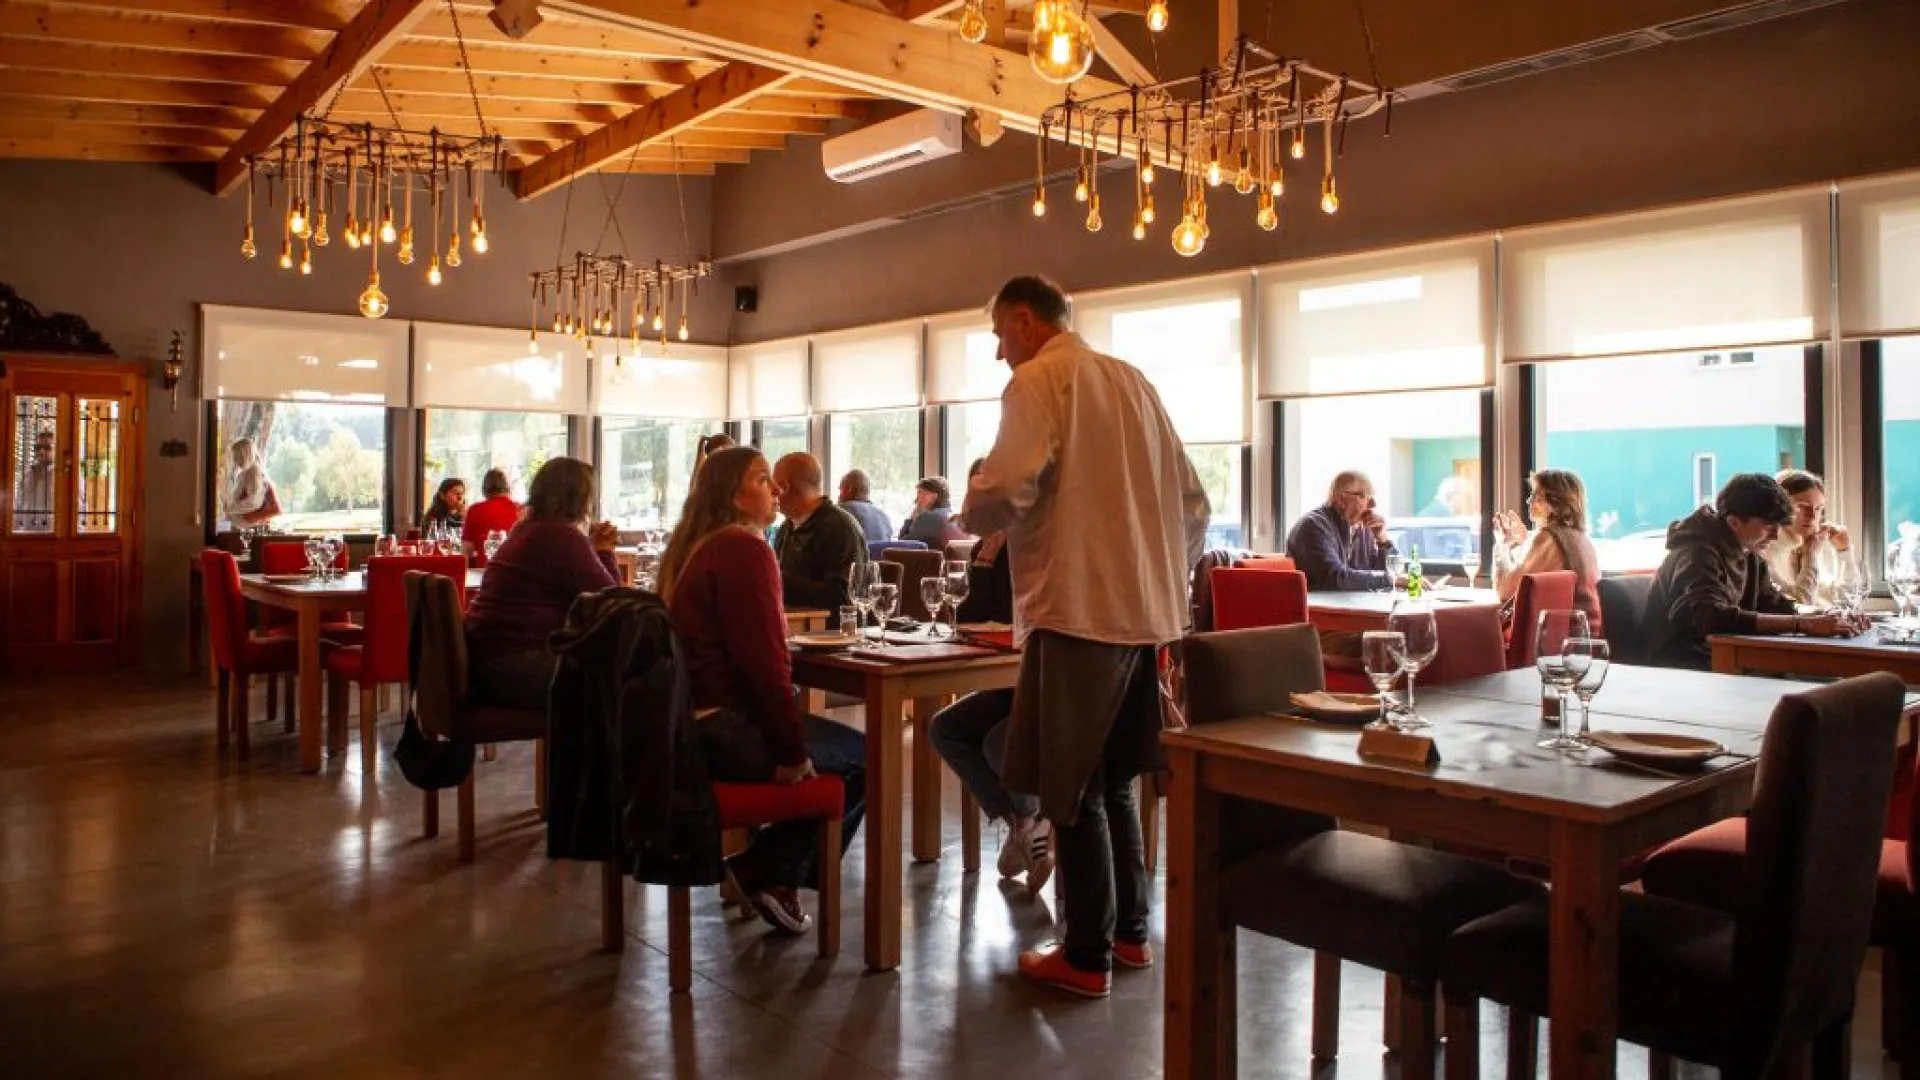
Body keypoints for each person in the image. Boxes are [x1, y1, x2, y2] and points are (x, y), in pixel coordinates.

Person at [965, 275, 1209, 997]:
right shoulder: (1134, 382)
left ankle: (1085, 954)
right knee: (1117, 780)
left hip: (1076, 607)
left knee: (1070, 786)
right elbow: (1194, 504)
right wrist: (1160, 577)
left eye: (999, 335)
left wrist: (972, 505)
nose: (999, 352)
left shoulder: (1039, 379)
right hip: (1144, 612)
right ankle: (1130, 935)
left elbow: (1007, 488)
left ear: (1024, 320)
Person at [658, 446, 867, 936]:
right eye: (761, 479)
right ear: (732, 495)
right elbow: (764, 669)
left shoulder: (696, 547)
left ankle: (767, 870)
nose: (775, 489)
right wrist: (791, 753)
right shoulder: (744, 549)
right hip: (724, 731)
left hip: (685, 727)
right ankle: (770, 873)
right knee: (865, 758)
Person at [928, 460, 1044, 890]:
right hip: (1007, 678)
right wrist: (984, 562)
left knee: (999, 740)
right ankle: (1023, 823)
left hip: (1045, 678)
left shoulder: (1036, 544)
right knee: (945, 728)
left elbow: (1016, 613)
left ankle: (1031, 823)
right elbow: (969, 615)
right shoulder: (986, 548)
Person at [1644, 472, 1865, 671]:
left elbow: (1773, 603)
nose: (1775, 536)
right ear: (1734, 522)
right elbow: (1708, 615)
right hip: (1682, 664)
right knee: (1817, 677)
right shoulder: (1696, 554)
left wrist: (1823, 616)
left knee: (1826, 673)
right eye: (1769, 527)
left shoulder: (1749, 554)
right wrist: (1802, 624)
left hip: (1725, 654)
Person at [463, 458, 620, 709]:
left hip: (484, 662)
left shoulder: (524, 529)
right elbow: (613, 604)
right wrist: (604, 550)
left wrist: (592, 546)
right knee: (626, 677)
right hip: (516, 668)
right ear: (579, 499)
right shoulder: (561, 536)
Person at [1490, 468, 1602, 630]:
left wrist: (1502, 545)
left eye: (1537, 496)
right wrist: (1522, 544)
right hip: (1586, 632)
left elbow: (1505, 590)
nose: (1529, 501)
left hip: (1561, 637)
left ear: (1555, 504)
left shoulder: (1549, 538)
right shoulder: (1580, 539)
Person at [770, 452, 868, 612]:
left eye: (774, 486)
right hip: (793, 622)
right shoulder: (786, 528)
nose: (771, 492)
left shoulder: (840, 527)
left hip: (828, 627)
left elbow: (845, 596)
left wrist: (779, 581)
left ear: (785, 487)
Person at [1285, 471, 1396, 591]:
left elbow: (1380, 573)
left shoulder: (1362, 528)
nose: (1373, 504)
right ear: (1341, 499)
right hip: (1320, 602)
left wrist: (1383, 541)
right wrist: (1390, 579)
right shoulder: (1313, 526)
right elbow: (1335, 578)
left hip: (1355, 601)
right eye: (1365, 496)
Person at [1762, 468, 1852, 607]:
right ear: (1779, 508)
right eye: (1803, 506)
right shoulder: (1763, 553)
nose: (1813, 516)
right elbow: (1800, 608)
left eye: (1818, 508)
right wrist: (1811, 556)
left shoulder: (1809, 544)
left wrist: (1844, 552)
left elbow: (1846, 599)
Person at [460, 468, 520, 558]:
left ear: (484, 489)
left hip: (485, 565)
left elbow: (467, 550)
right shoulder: (521, 509)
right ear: (508, 487)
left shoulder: (475, 510)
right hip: (515, 565)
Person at [223, 436, 280, 529]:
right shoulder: (248, 472)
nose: (235, 460)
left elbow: (254, 502)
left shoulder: (253, 472)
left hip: (250, 527)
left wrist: (230, 509)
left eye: (237, 456)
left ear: (245, 455)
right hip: (247, 526)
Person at [899, 476, 966, 547]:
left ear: (933, 496)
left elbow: (902, 544)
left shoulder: (928, 518)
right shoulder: (953, 515)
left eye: (920, 493)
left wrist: (911, 519)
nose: (915, 500)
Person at [836, 469, 894, 544]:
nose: (839, 496)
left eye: (841, 489)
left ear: (849, 489)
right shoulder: (884, 518)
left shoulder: (839, 513)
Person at [16, 427, 56, 533]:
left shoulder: (63, 477)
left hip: (52, 534)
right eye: (38, 447)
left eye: (47, 447)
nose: (41, 451)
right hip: (28, 533)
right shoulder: (28, 474)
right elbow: (19, 504)